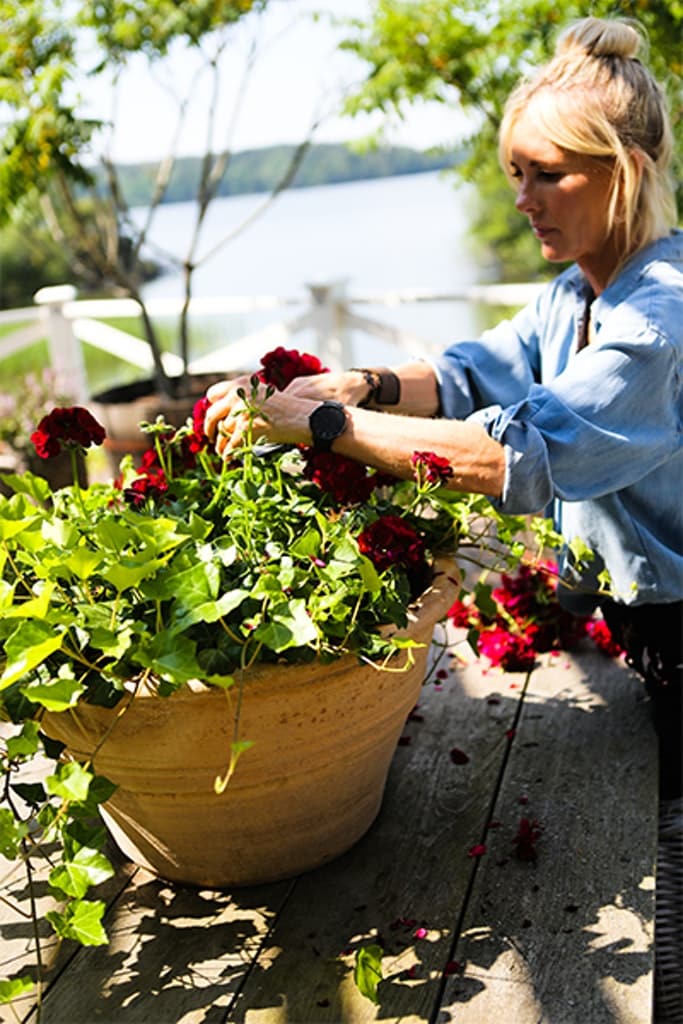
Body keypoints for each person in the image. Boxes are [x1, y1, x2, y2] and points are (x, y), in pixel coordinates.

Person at [205, 17, 682, 1019]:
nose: (522, 199)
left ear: (626, 173)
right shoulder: (576, 293)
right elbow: (472, 370)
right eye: (514, 174)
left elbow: (520, 455)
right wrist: (363, 380)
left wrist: (327, 425)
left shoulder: (657, 319)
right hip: (631, 630)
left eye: (546, 174)